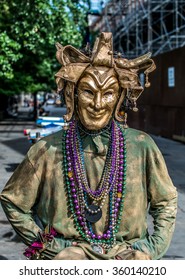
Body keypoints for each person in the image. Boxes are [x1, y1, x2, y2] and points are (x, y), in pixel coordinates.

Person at [0, 32, 177, 260]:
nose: (97, 104)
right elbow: (13, 201)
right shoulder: (45, 150)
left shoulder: (142, 147)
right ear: (73, 94)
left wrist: (149, 251)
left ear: (120, 97)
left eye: (108, 93)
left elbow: (166, 202)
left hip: (128, 262)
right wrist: (51, 249)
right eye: (88, 92)